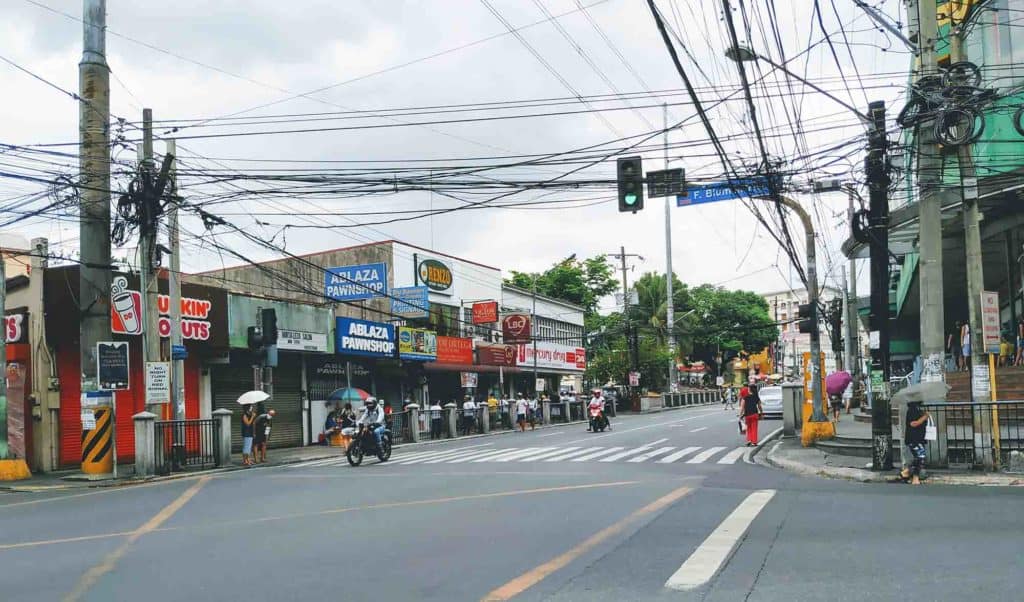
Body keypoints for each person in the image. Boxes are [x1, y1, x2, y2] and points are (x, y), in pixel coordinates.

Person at [898, 401, 931, 485]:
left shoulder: (917, 409)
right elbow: (913, 423)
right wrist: (925, 417)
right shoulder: (912, 410)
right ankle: (915, 478)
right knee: (920, 457)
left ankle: (906, 472)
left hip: (918, 438)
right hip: (914, 439)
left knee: (919, 457)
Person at [739, 381, 763, 447]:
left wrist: (740, 415)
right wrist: (761, 413)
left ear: (749, 389)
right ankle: (754, 442)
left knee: (749, 428)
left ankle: (749, 440)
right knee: (754, 428)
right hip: (754, 414)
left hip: (747, 414)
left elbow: (742, 407)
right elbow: (759, 406)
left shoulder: (745, 397)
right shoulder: (756, 397)